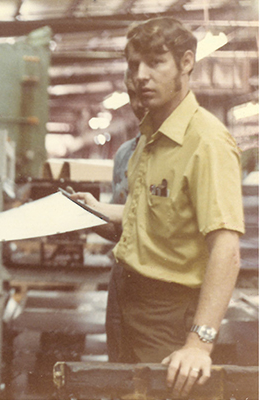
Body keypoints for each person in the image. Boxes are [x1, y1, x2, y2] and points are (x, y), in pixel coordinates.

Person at [71, 17, 244, 398]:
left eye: (155, 62)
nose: (141, 76)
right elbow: (146, 216)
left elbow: (226, 250)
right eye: (133, 65)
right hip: (126, 299)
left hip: (168, 313)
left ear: (186, 63)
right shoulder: (149, 136)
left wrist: (199, 343)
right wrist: (95, 211)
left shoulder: (207, 143)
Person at [100, 72, 146, 362]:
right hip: (122, 276)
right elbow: (119, 227)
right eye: (134, 98)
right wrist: (85, 215)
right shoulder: (125, 154)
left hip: (159, 284)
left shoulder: (184, 149)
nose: (141, 105)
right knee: (119, 362)